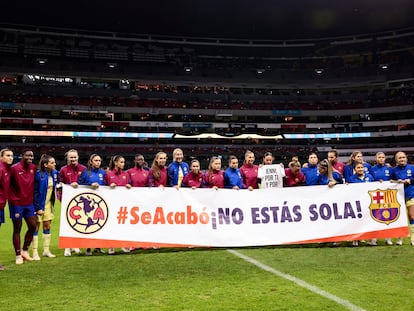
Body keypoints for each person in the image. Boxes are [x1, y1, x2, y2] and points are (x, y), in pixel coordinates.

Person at [9, 149, 43, 264]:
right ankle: (18, 255)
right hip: (16, 204)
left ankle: (24, 250)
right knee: (17, 228)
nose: (30, 157)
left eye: (32, 156)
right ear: (22, 156)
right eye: (27, 155)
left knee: (33, 226)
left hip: (29, 203)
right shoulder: (14, 168)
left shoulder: (33, 168)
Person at [59, 149, 86, 257]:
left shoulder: (83, 169)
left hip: (81, 202)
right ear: (67, 158)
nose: (73, 159)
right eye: (71, 157)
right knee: (68, 224)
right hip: (68, 201)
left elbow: (86, 183)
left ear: (78, 157)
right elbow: (59, 185)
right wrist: (61, 199)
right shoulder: (63, 170)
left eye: (75, 157)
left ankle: (75, 245)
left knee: (79, 224)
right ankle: (67, 247)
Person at [78, 154, 106, 255]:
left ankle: (98, 247)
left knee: (100, 223)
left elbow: (106, 185)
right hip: (88, 203)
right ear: (91, 162)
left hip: (100, 203)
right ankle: (88, 247)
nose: (98, 162)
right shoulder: (85, 173)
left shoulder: (103, 172)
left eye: (99, 160)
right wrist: (90, 185)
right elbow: (79, 185)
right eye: (96, 160)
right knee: (89, 224)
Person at [33, 154, 59, 260]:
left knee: (47, 226)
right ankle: (34, 252)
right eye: (52, 163)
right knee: (36, 227)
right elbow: (34, 192)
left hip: (48, 204)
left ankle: (46, 250)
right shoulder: (38, 175)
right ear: (46, 164)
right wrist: (37, 207)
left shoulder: (55, 173)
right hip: (38, 205)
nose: (55, 164)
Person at [105, 155, 131, 255]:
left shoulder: (126, 174)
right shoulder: (108, 174)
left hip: (123, 204)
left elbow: (129, 184)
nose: (123, 164)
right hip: (111, 204)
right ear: (115, 163)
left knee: (123, 225)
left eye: (123, 162)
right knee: (111, 225)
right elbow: (102, 187)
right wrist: (108, 186)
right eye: (121, 162)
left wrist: (129, 186)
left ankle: (124, 245)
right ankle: (111, 246)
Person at [347, 162, 374, 246]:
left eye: (361, 167)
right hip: (357, 203)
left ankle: (371, 239)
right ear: (355, 169)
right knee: (356, 221)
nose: (360, 169)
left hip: (368, 202)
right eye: (358, 167)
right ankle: (355, 239)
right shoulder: (351, 179)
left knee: (369, 221)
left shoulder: (369, 177)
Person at [391, 151, 414, 246]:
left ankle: (413, 238)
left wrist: (410, 180)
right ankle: (399, 238)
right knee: (399, 218)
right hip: (398, 197)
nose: (402, 159)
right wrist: (396, 181)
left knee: (412, 216)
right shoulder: (393, 170)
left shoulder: (412, 168)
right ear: (396, 160)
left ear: (406, 158)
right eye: (400, 158)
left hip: (411, 194)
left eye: (403, 157)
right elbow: (390, 181)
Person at [370, 151, 393, 245]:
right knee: (375, 216)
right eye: (379, 157)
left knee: (388, 217)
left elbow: (394, 179)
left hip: (388, 196)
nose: (381, 159)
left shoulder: (389, 169)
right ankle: (373, 238)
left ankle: (388, 238)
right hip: (376, 196)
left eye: (382, 157)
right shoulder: (372, 169)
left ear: (385, 158)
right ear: (376, 159)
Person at [0, 148, 13, 270]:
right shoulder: (1, 169)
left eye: (12, 155)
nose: (10, 157)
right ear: (1, 157)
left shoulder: (7, 169)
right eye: (8, 155)